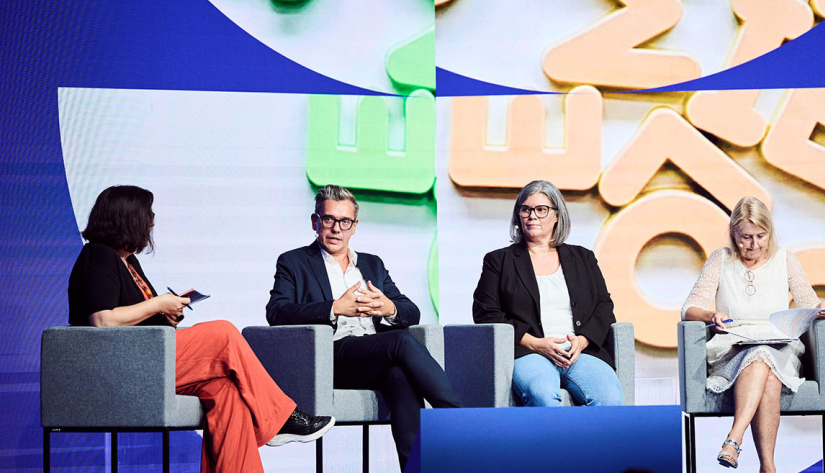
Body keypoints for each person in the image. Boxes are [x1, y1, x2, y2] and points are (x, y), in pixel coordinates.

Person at [67, 185, 334, 473]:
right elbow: (103, 320)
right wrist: (158, 304)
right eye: (148, 214)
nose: (152, 222)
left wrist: (166, 315)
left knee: (226, 392)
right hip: (122, 368)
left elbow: (137, 317)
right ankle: (280, 416)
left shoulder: (129, 261)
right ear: (128, 217)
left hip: (149, 360)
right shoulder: (98, 255)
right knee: (223, 333)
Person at [266, 184, 462, 471]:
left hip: (372, 357)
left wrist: (388, 308)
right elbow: (276, 312)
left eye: (345, 222)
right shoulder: (294, 262)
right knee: (400, 341)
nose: (336, 229)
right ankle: (457, 419)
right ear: (315, 221)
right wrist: (334, 308)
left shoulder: (372, 264)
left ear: (354, 226)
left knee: (401, 377)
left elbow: (411, 311)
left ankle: (416, 468)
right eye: (328, 219)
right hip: (330, 357)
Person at [681, 196, 825, 472]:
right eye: (746, 237)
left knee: (765, 358)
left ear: (769, 233)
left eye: (761, 236)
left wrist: (821, 308)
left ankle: (734, 439)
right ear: (734, 233)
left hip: (780, 346)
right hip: (733, 346)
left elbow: (809, 303)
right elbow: (688, 309)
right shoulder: (720, 259)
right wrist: (710, 316)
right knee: (765, 369)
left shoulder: (785, 259)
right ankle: (768, 467)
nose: (754, 245)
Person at [472, 180, 623, 407]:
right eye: (526, 209)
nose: (532, 216)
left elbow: (604, 307)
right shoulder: (498, 261)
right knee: (542, 395)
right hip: (528, 353)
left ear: (557, 216)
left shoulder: (583, 258)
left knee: (609, 398)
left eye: (541, 209)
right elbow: (486, 314)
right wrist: (535, 343)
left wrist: (582, 341)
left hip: (580, 354)